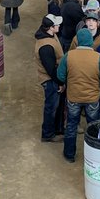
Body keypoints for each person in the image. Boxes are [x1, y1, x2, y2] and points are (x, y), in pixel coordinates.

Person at [56, 27, 100, 163]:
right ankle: (94, 155)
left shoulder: (68, 56)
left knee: (71, 125)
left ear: (78, 41)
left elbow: (60, 75)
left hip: (73, 97)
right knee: (93, 126)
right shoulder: (99, 58)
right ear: (90, 42)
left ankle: (69, 154)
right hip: (92, 98)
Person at [35, 15, 65, 143]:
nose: (59, 26)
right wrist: (60, 82)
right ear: (50, 28)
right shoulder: (45, 47)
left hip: (55, 78)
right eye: (57, 25)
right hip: (50, 80)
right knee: (51, 107)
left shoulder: (50, 36)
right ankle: (48, 134)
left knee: (57, 106)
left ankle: (57, 129)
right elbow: (51, 69)